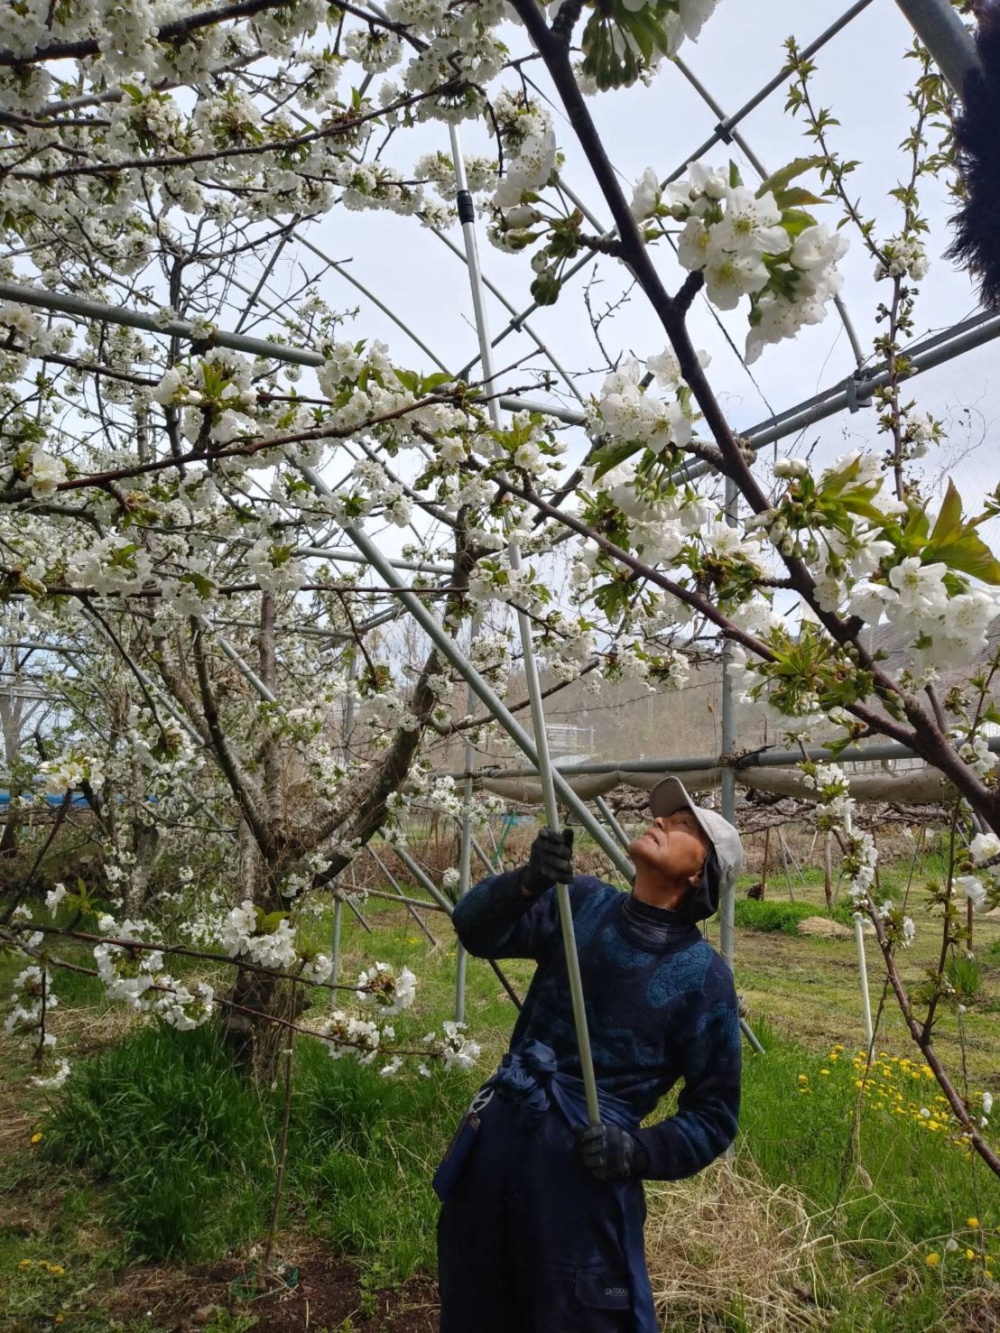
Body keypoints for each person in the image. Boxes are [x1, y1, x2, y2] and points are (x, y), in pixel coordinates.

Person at [435, 777, 743, 1333]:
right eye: (667, 815)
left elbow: (715, 1115)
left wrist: (638, 1151)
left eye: (685, 826)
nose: (664, 822)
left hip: (580, 1170)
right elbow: (473, 928)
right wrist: (526, 883)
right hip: (502, 1134)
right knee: (478, 1299)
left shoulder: (704, 978)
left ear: (700, 874)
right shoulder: (582, 903)